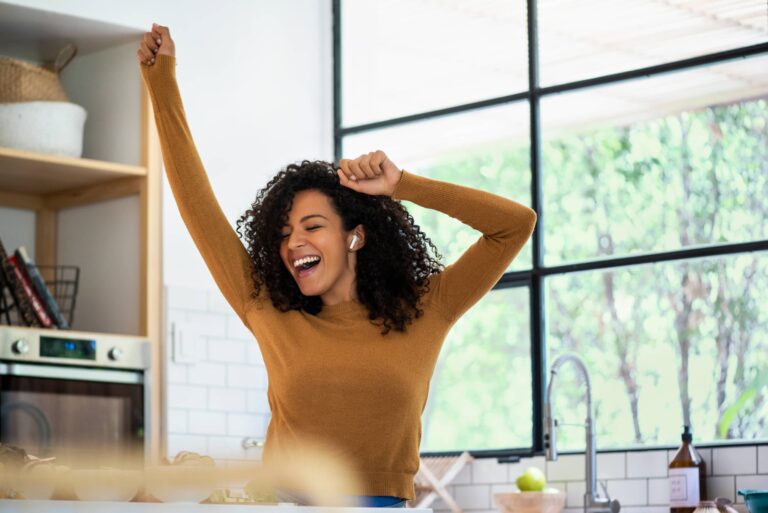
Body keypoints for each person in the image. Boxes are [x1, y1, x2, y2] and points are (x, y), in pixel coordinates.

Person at [137, 23, 537, 508]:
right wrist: (162, 82)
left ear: (355, 235)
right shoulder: (269, 310)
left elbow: (515, 225)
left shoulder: (427, 308)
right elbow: (197, 206)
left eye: (311, 226)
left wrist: (402, 184)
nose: (293, 243)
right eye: (283, 233)